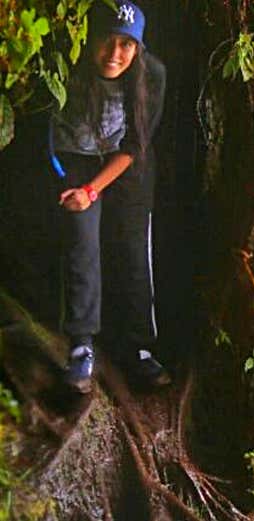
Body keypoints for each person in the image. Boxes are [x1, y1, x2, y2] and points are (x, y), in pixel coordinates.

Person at [50, 0, 169, 393]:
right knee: (82, 242)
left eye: (126, 45)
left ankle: (137, 347)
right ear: (90, 39)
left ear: (138, 49)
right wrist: (79, 187)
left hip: (126, 163)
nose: (115, 54)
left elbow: (135, 145)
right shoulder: (66, 66)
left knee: (133, 249)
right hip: (75, 157)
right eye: (107, 41)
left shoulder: (151, 75)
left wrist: (92, 190)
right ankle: (82, 345)